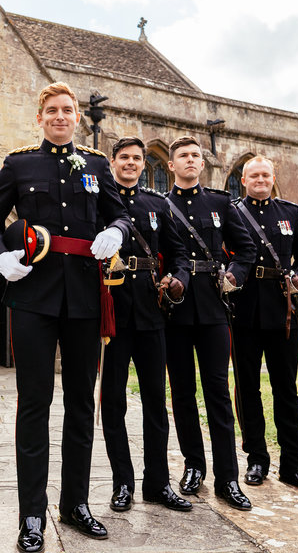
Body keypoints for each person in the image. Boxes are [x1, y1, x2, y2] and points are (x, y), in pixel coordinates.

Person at [0, 82, 131, 553]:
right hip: (33, 299)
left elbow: (119, 213)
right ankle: (31, 513)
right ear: (39, 117)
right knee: (33, 406)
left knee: (82, 403)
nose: (61, 117)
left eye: (68, 110)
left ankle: (76, 504)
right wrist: (0, 258)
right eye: (52, 111)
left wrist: (117, 232)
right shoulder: (19, 163)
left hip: (84, 299)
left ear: (77, 118)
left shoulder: (97, 164)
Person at [98, 137, 191, 514]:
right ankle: (123, 484)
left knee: (155, 400)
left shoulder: (157, 204)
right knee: (114, 403)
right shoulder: (101, 201)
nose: (132, 163)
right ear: (113, 162)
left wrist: (180, 277)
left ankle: (157, 483)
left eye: (137, 158)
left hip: (152, 314)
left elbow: (179, 251)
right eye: (125, 158)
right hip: (114, 314)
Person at [162, 136, 255, 510]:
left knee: (217, 391)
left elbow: (246, 249)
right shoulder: (162, 206)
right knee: (183, 393)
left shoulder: (220, 203)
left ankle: (228, 478)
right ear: (171, 165)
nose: (190, 160)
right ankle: (193, 466)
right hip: (177, 308)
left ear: (202, 164)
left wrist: (234, 274)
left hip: (215, 308)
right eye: (182, 156)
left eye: (195, 156)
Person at [230, 156, 298, 494]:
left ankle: (293, 466)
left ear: (273, 177)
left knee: (285, 388)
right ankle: (256, 458)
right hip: (246, 308)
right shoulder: (233, 211)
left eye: (265, 175)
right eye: (253, 175)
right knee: (248, 387)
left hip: (284, 311)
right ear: (243, 179)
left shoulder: (291, 212)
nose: (260, 180)